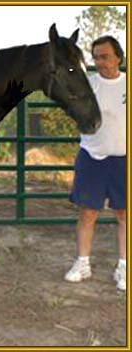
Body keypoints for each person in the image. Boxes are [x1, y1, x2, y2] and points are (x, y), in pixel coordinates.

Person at [64, 36, 126, 291]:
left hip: (125, 160)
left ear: (118, 57)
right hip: (92, 158)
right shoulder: (87, 86)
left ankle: (124, 266)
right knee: (87, 213)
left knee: (124, 214)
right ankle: (82, 262)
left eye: (105, 56)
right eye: (96, 57)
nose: (100, 62)